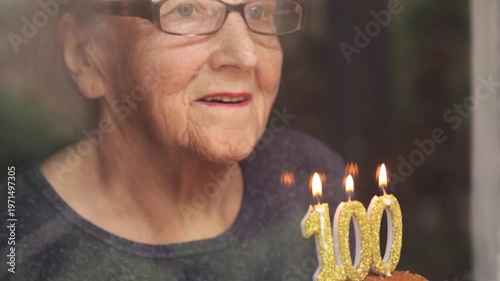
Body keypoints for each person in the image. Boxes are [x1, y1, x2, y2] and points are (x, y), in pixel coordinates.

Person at [1, 0, 345, 280]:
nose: (245, 55)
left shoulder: (311, 181)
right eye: (186, 10)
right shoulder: (17, 238)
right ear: (85, 56)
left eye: (258, 12)